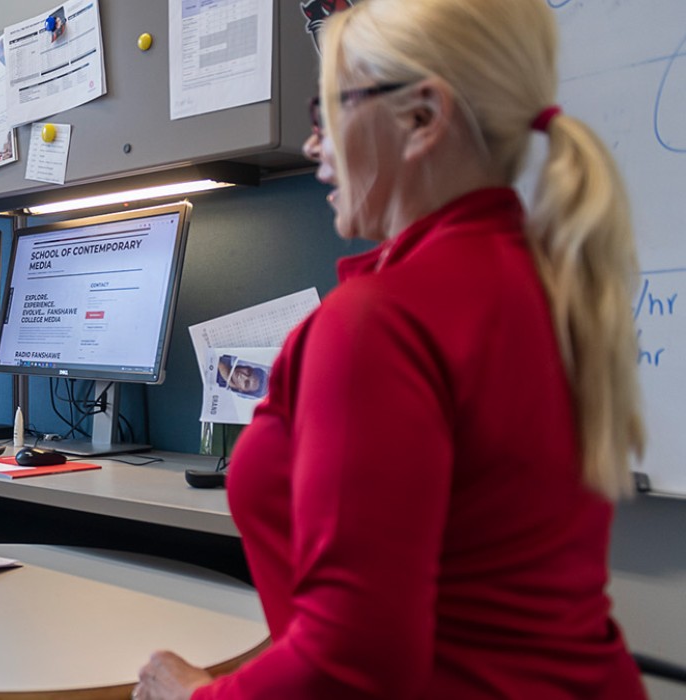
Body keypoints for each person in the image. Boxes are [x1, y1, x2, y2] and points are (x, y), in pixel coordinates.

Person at [136, 0, 648, 697]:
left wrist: (191, 695)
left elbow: (351, 664)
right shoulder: (553, 287)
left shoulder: (379, 321)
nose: (317, 146)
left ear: (421, 119)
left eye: (329, 112)